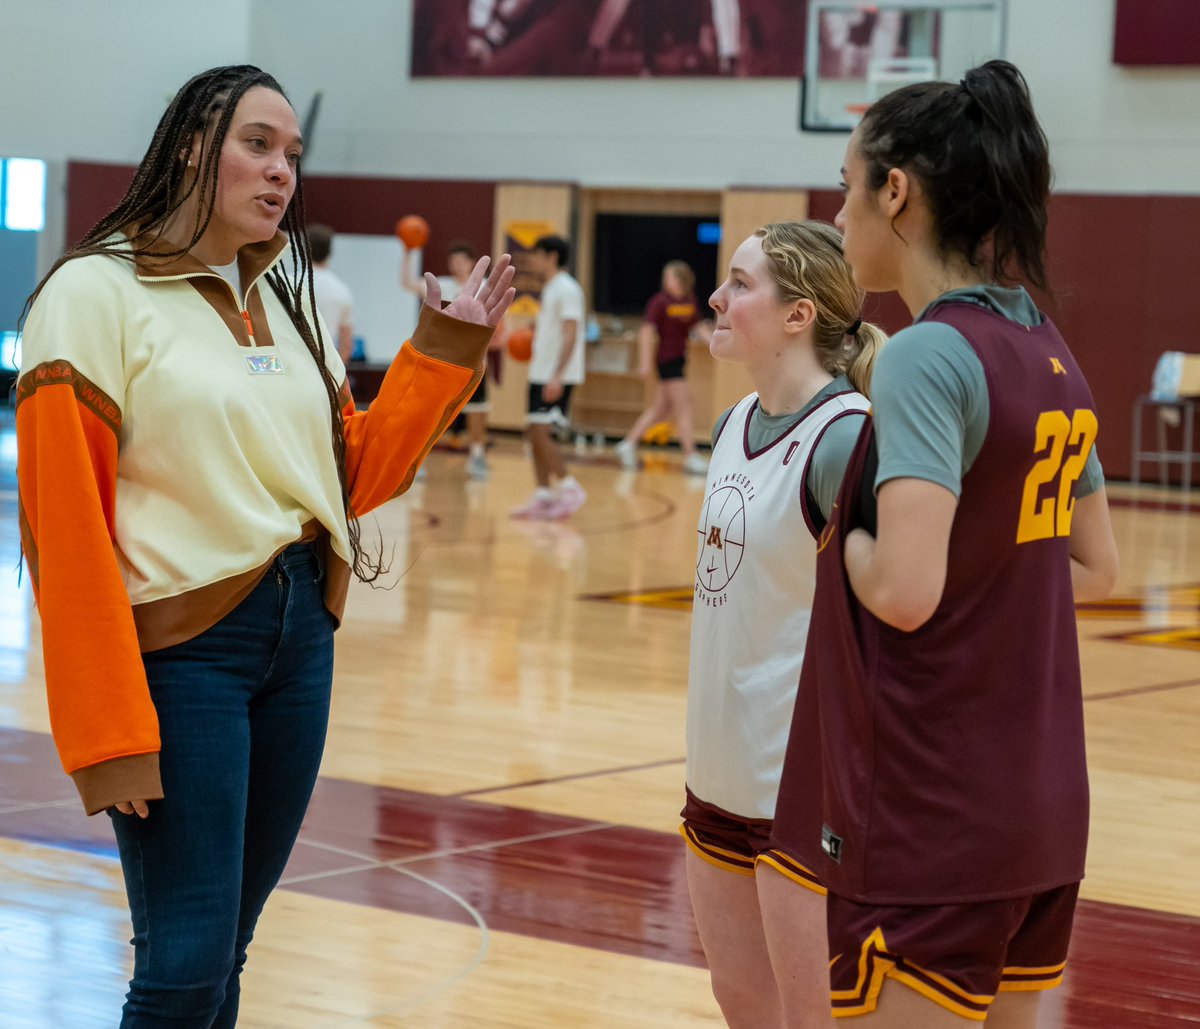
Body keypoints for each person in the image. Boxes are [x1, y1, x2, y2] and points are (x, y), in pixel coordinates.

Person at [14, 64, 513, 1028]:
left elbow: (347, 475)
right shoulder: (93, 291)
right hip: (181, 657)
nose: (283, 170)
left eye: (293, 153)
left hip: (299, 641)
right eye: (257, 145)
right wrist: (106, 728)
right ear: (191, 149)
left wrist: (442, 352)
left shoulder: (288, 298)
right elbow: (65, 526)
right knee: (185, 962)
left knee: (227, 950)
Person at [762, 61, 1119, 1028]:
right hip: (1042, 804)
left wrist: (846, 534)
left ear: (896, 192)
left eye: (845, 186)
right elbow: (1099, 563)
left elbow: (904, 590)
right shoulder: (1048, 347)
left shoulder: (925, 352)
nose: (837, 214)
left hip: (933, 809)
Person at [683, 221, 882, 1029]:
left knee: (813, 1017)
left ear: (799, 315)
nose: (716, 298)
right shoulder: (733, 420)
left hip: (803, 789)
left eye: (740, 283)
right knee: (742, 1002)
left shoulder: (846, 437)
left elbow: (897, 613)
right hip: (717, 770)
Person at [511, 234, 588, 519]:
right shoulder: (552, 288)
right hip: (540, 372)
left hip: (556, 376)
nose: (532, 260)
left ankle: (569, 487)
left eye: (536, 254)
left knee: (542, 433)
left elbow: (571, 333)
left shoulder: (567, 288)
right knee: (533, 433)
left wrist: (557, 376)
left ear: (552, 256)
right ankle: (543, 495)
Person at [402, 238, 494, 479]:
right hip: (442, 360)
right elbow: (406, 283)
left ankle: (477, 457)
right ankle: (417, 460)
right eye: (453, 261)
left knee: (476, 411)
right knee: (431, 411)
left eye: (461, 260)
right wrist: (408, 252)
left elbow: (496, 325)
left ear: (471, 263)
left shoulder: (484, 287)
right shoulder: (441, 285)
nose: (456, 265)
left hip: (473, 360)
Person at [614, 259, 711, 475]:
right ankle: (691, 456)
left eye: (670, 276)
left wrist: (715, 343)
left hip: (680, 359)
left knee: (662, 410)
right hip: (667, 360)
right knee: (685, 405)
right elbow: (646, 331)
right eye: (665, 277)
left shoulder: (689, 301)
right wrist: (644, 362)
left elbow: (698, 327)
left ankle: (628, 444)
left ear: (681, 279)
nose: (666, 280)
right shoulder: (660, 302)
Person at [308, 222, 355, 363]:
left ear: (304, 248)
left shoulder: (288, 284)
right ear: (330, 251)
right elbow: (346, 345)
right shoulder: (342, 291)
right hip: (324, 365)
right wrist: (333, 374)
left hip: (291, 364)